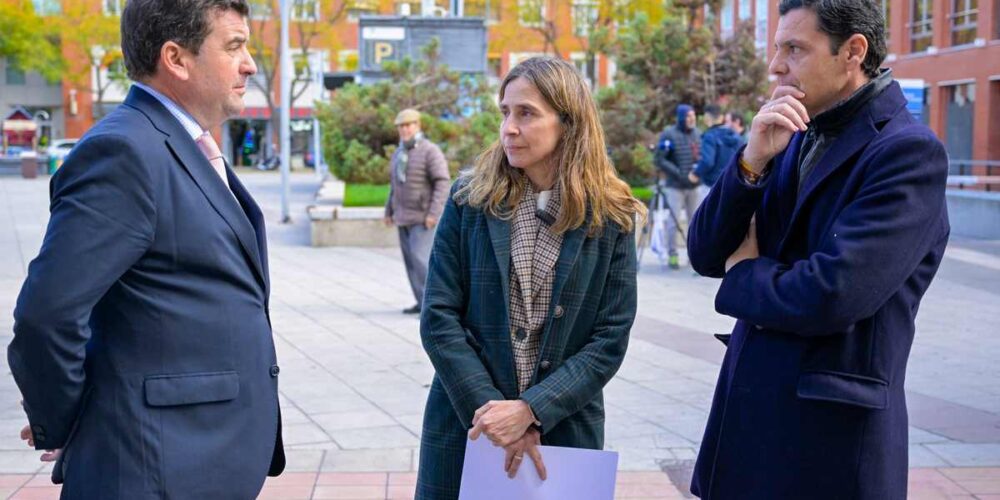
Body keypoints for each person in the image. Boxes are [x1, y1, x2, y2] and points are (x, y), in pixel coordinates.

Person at [8, 0, 285, 497]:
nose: (249, 64)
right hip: (154, 466)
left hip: (197, 457)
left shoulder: (182, 143)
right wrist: (66, 417)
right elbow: (46, 315)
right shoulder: (125, 151)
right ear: (176, 59)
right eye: (234, 46)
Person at [687, 0, 949, 498]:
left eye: (794, 49)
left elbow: (831, 294)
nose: (776, 66)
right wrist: (751, 161)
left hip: (829, 446)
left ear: (853, 52)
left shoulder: (906, 153)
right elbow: (703, 252)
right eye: (777, 48)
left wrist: (743, 272)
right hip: (748, 423)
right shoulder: (790, 132)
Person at [416, 56, 645, 499]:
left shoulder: (612, 217)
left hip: (563, 432)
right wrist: (495, 415)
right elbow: (439, 318)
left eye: (526, 113)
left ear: (568, 123)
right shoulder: (470, 202)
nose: (509, 128)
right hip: (468, 425)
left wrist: (532, 410)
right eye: (505, 112)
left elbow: (609, 338)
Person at [384, 108, 451, 314]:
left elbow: (442, 182)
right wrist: (388, 211)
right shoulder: (399, 153)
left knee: (422, 261)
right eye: (401, 126)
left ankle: (434, 305)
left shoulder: (430, 151)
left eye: (408, 125)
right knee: (411, 263)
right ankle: (421, 302)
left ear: (417, 126)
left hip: (423, 218)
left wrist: (434, 213)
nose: (404, 130)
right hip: (403, 216)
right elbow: (394, 185)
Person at [654, 103, 701, 269]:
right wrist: (679, 173)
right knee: (673, 222)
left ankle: (693, 256)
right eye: (688, 116)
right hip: (675, 186)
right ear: (681, 117)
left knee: (695, 222)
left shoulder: (697, 134)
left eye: (693, 116)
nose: (692, 119)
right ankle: (672, 254)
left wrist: (698, 172)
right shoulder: (669, 134)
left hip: (694, 186)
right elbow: (659, 159)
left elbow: (701, 156)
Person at [690, 104, 743, 195]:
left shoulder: (710, 136)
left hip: (712, 184)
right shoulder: (735, 136)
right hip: (732, 183)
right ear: (721, 117)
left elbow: (707, 161)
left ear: (706, 117)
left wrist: (696, 173)